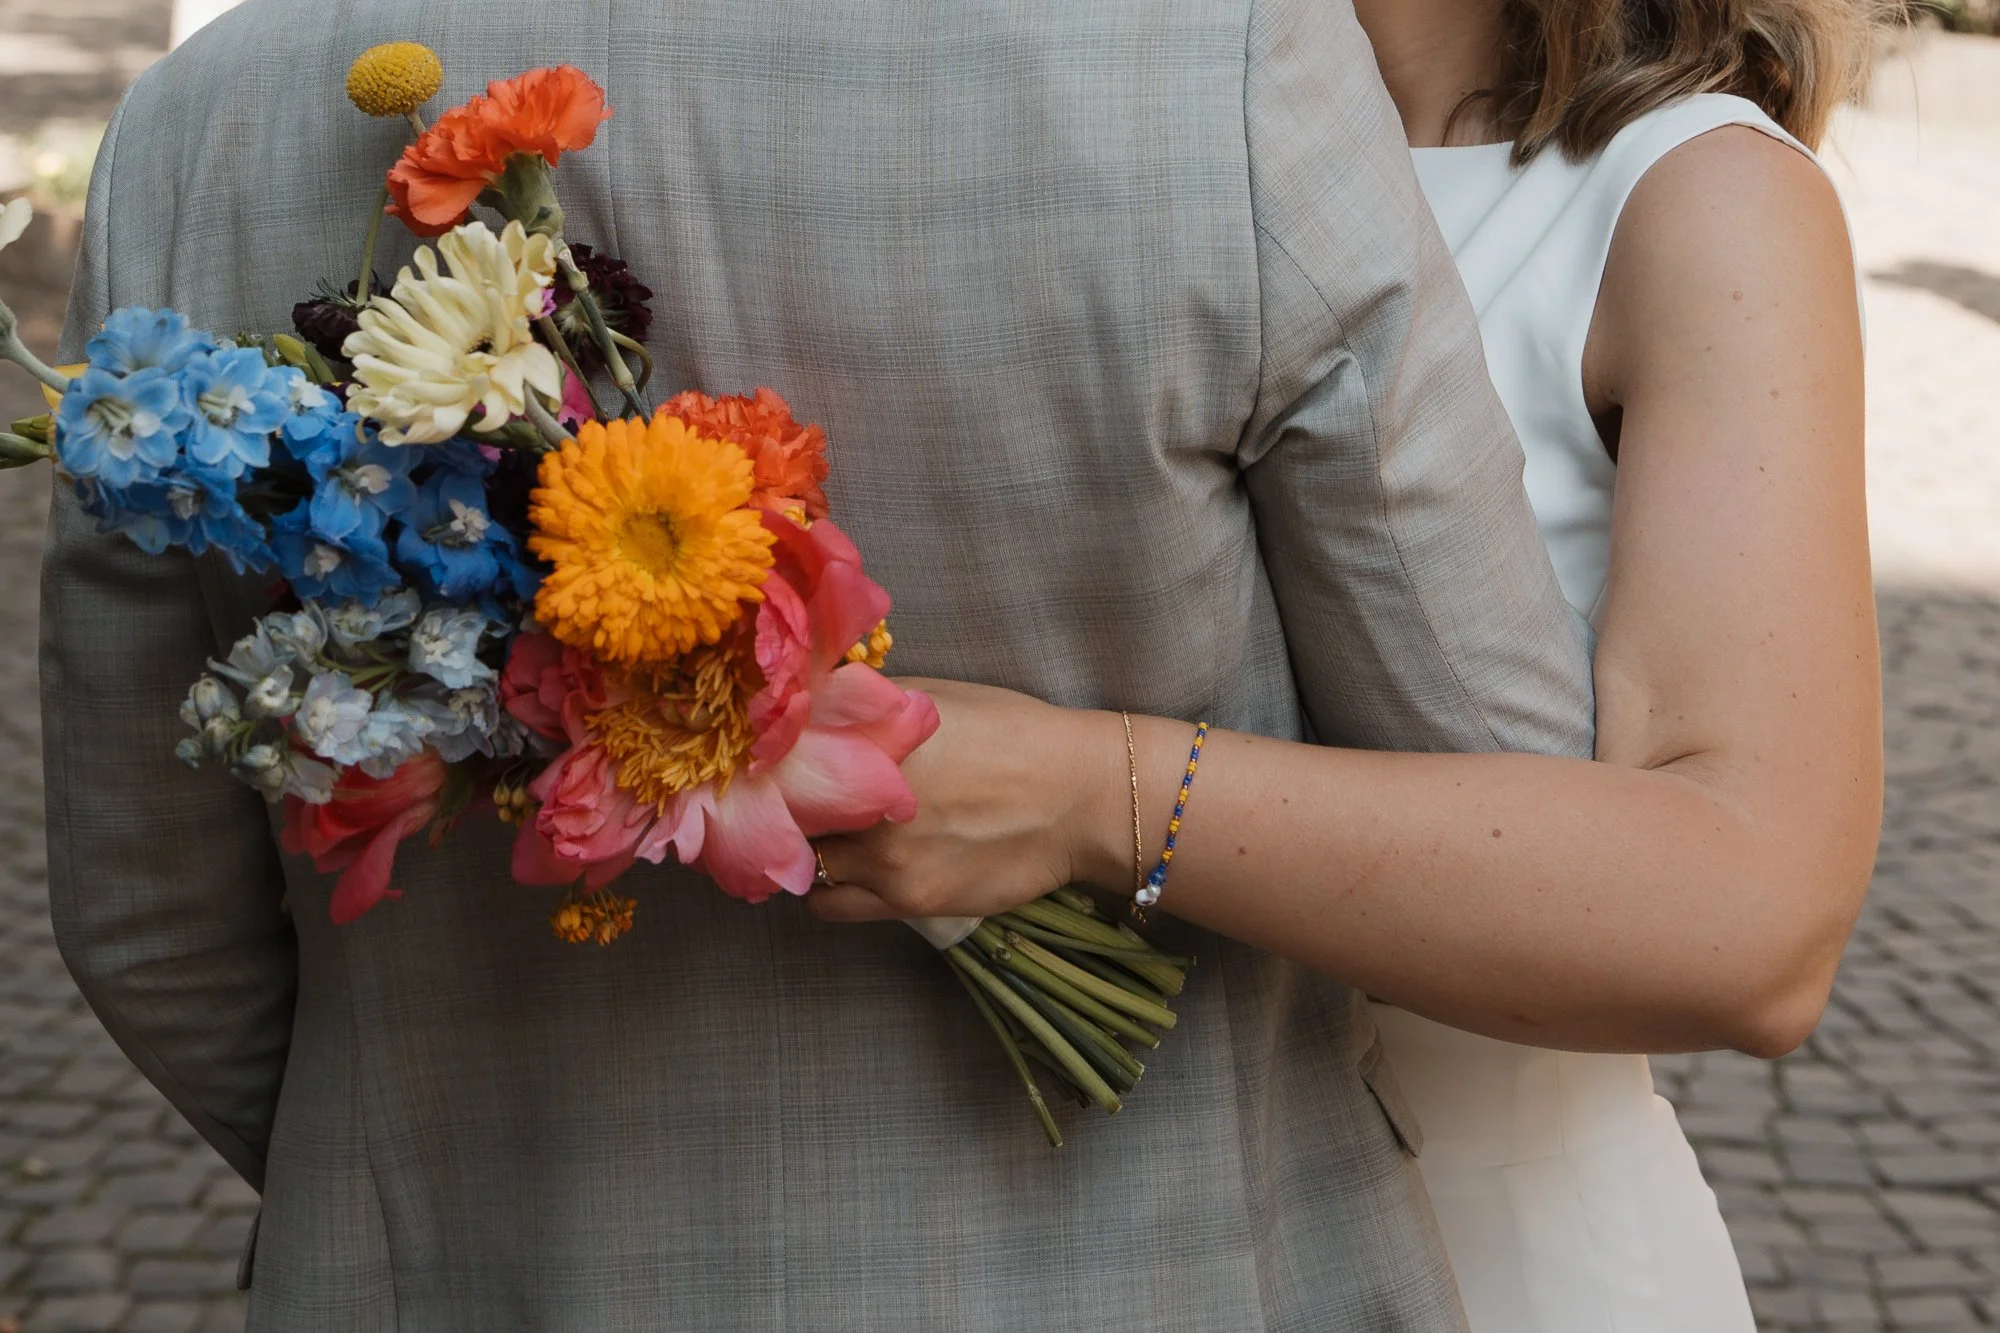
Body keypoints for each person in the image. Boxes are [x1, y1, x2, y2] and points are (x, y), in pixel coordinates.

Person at [43, 0, 1600, 1327]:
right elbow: (1502, 799)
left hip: (463, 1272)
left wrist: (433, 1190)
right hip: (1166, 1267)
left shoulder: (203, 121)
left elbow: (152, 926)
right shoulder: (1221, 63)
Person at [812, 0, 1883, 1328]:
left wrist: (1101, 798)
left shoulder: (1693, 199)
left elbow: (1756, 926)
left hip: (1493, 1259)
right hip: (1071, 1247)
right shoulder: (1063, 142)